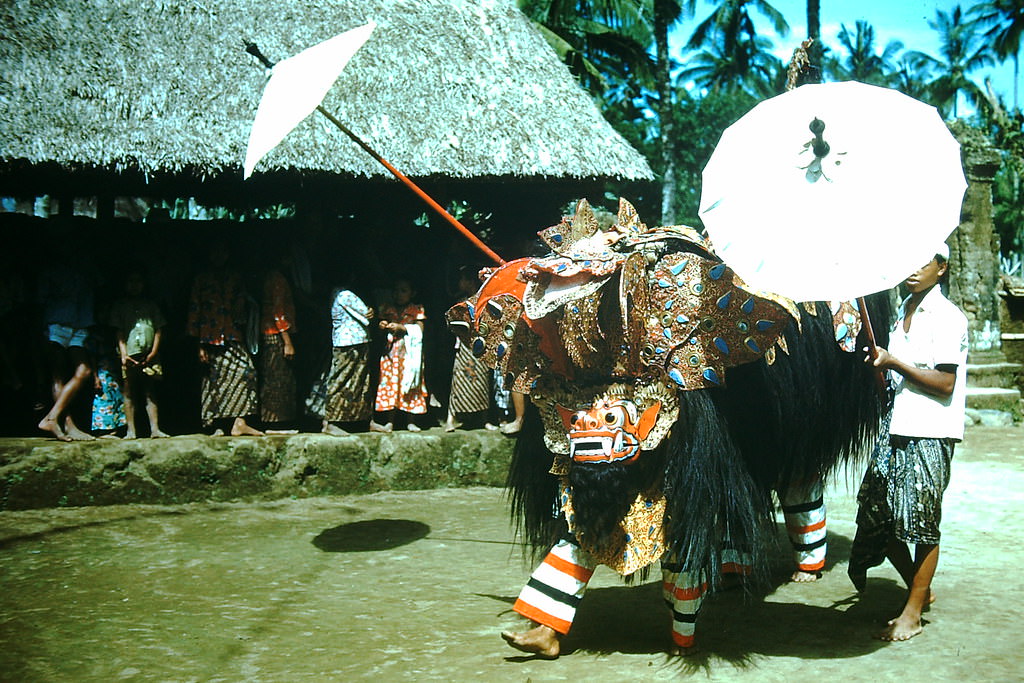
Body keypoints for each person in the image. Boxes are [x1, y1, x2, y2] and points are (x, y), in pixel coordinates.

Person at [848, 244, 968, 642]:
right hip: (896, 426)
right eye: (910, 262)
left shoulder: (948, 318)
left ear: (942, 267)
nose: (914, 270)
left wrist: (895, 362)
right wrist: (883, 367)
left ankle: (913, 613)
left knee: (921, 522)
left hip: (930, 431)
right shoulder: (903, 314)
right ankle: (920, 588)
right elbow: (900, 378)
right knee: (877, 514)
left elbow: (945, 383)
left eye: (924, 262)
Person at [187, 239, 263, 437]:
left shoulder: (235, 278)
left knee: (246, 372)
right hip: (209, 337)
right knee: (213, 381)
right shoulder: (201, 279)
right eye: (215, 252)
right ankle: (218, 425)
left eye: (223, 252)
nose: (219, 256)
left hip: (232, 334)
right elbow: (195, 310)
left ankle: (240, 422)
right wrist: (199, 345)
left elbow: (242, 307)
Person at [36, 252, 96, 441]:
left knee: (83, 371)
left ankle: (52, 417)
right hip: (57, 321)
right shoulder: (51, 272)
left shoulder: (86, 269)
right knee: (59, 374)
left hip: (80, 323)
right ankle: (68, 425)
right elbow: (40, 298)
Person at [306, 284, 375, 435]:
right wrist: (370, 311)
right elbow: (366, 313)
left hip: (356, 342)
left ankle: (365, 420)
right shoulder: (345, 294)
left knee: (361, 383)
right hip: (348, 343)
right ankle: (330, 422)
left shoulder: (341, 293)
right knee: (341, 381)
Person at [109, 268, 169, 439]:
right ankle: (131, 430)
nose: (134, 286)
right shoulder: (120, 306)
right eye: (130, 281)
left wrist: (154, 352)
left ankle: (155, 429)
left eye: (138, 281)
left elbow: (159, 329)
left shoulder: (151, 305)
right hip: (128, 355)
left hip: (149, 355)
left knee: (150, 390)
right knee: (129, 391)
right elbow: (118, 331)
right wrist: (123, 354)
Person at [371, 279, 429, 432]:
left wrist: (402, 328)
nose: (399, 294)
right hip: (391, 354)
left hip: (409, 355)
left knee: (410, 382)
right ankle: (390, 421)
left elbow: (419, 330)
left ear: (412, 293)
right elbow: (379, 331)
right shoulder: (387, 309)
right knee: (390, 382)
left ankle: (411, 420)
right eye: (396, 290)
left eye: (403, 291)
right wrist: (382, 325)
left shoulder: (417, 309)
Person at [444, 267, 496, 432]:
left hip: (480, 344)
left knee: (482, 380)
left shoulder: (484, 299)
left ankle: (483, 418)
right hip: (464, 344)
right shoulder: (461, 301)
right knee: (458, 379)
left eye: (462, 280)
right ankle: (450, 418)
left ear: (470, 282)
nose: (460, 283)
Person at [258, 259, 298, 432]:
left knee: (277, 380)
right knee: (278, 381)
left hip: (271, 334)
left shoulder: (270, 277)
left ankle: (277, 422)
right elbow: (278, 312)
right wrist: (287, 341)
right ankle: (276, 424)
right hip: (276, 336)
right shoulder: (277, 279)